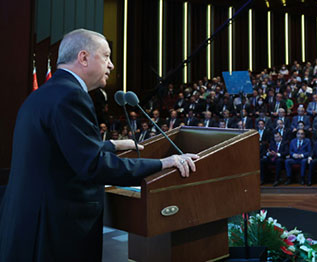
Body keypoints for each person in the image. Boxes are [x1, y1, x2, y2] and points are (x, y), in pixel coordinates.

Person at [0, 29, 198, 262]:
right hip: (54, 230)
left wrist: (112, 145)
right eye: (106, 56)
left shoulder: (46, 93)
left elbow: (60, 151)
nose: (112, 65)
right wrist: (163, 163)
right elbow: (92, 165)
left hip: (28, 223)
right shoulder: (70, 97)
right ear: (83, 58)